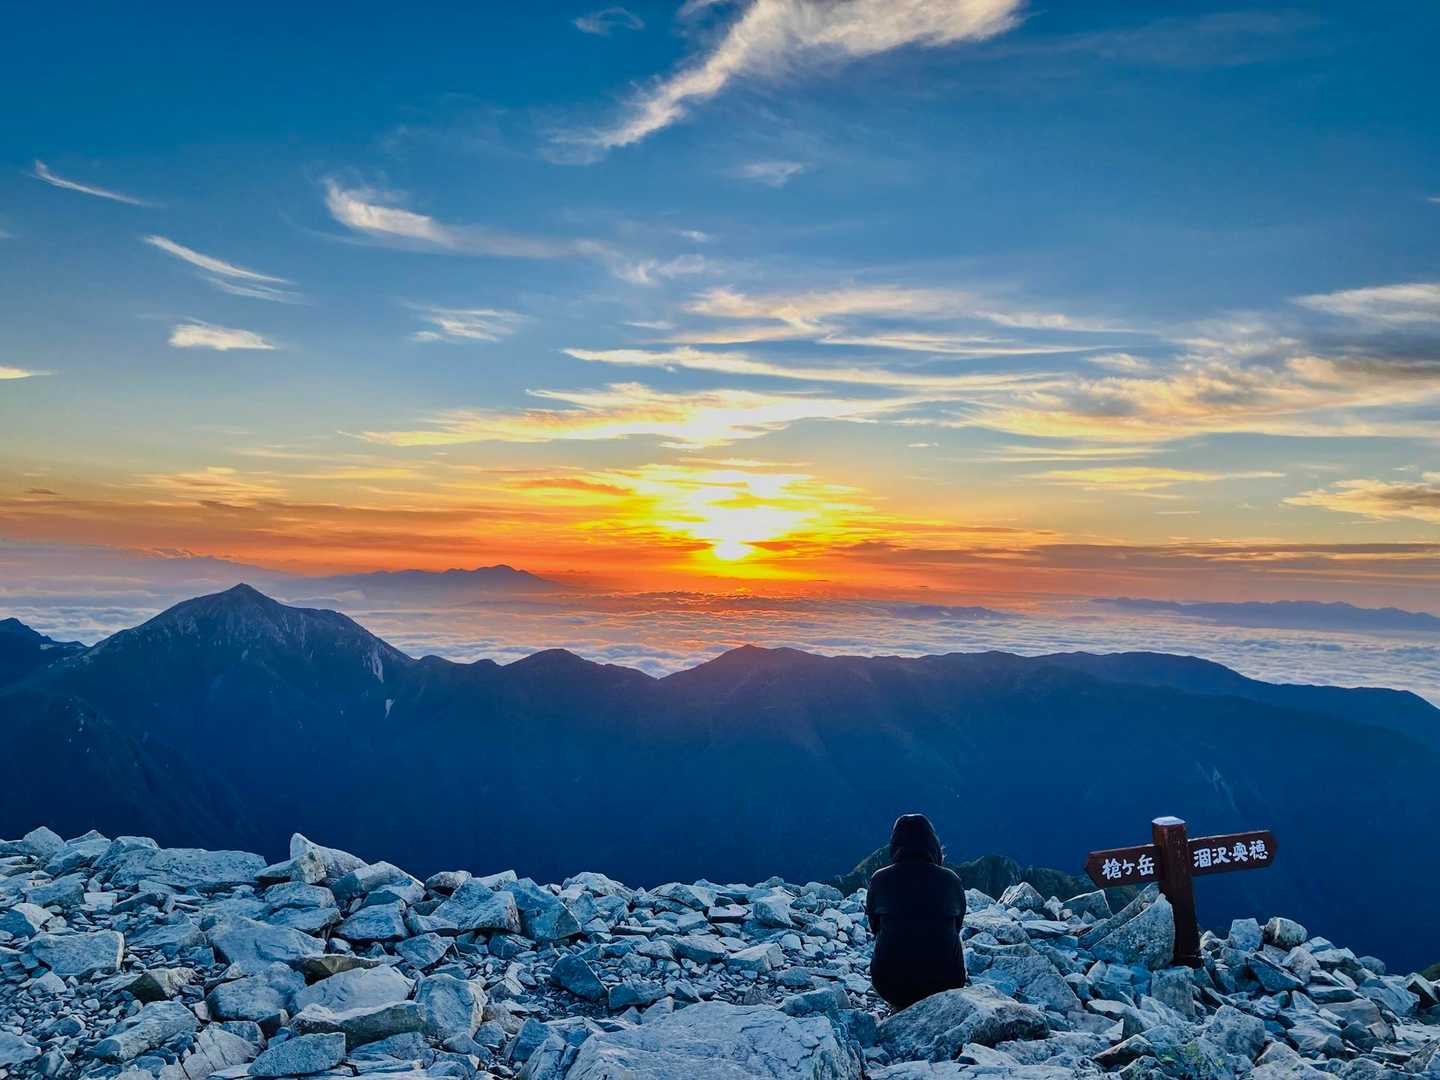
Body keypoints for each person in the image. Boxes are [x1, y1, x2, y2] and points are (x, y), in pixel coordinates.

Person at [865, 813, 968, 1010]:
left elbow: (875, 927)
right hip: (947, 983)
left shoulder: (880, 879)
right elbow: (957, 926)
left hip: (890, 985)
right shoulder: (951, 880)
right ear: (933, 843)